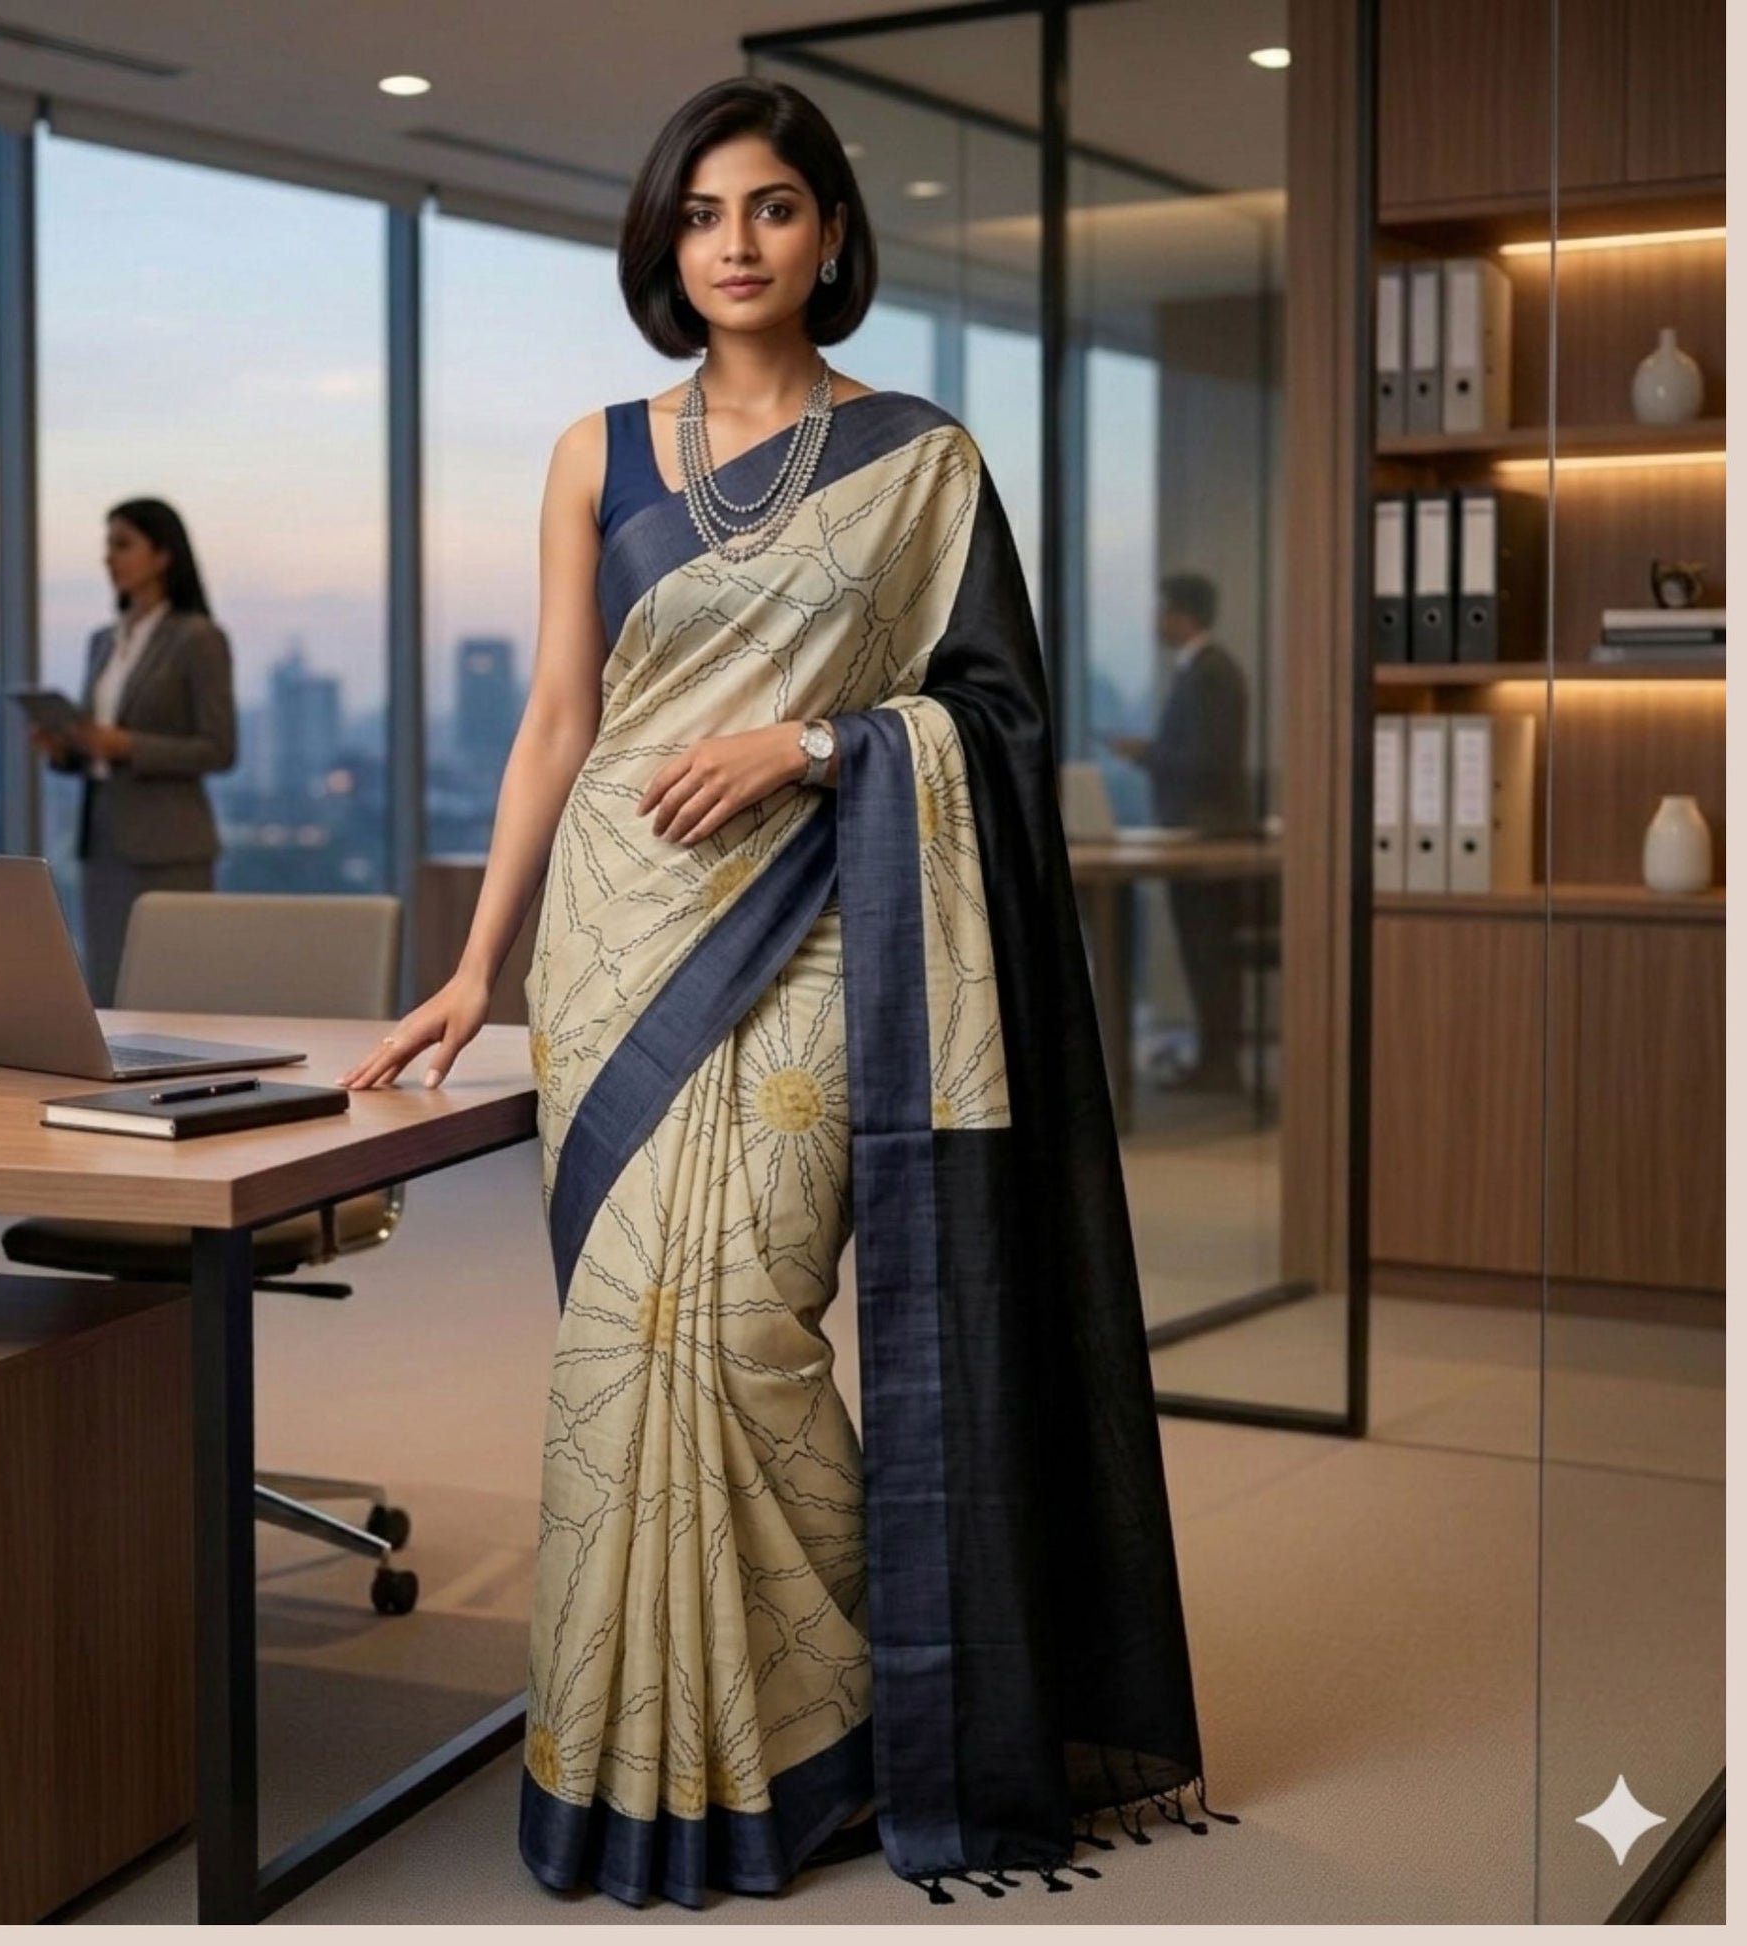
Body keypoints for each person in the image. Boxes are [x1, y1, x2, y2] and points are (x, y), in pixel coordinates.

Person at [341, 77, 1230, 1910]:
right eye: (700, 215)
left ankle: (883, 1715)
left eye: (768, 209)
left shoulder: (919, 460)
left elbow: (996, 721)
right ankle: (659, 1769)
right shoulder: (598, 450)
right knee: (621, 1347)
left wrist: (816, 743)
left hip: (830, 922)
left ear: (830, 232)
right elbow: (560, 727)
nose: (733, 244)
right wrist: (472, 965)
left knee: (736, 1328)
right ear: (664, 245)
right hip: (614, 937)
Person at [34, 498, 235, 1006]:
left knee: (173, 994)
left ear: (163, 555)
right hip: (102, 843)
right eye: (107, 546)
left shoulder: (198, 638)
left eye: (122, 545)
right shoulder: (103, 641)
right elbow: (96, 742)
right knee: (109, 990)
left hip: (169, 849)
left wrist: (128, 745)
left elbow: (219, 748)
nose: (109, 559)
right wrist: (66, 749)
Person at [1106, 573, 1253, 1093]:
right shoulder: (1203, 671)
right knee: (1201, 953)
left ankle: (1220, 1064)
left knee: (1209, 953)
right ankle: (1215, 1061)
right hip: (1197, 832)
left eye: (1161, 610)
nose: (1155, 621)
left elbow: (1209, 760)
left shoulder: (1211, 674)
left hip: (1208, 836)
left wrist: (1145, 753)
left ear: (1182, 616)